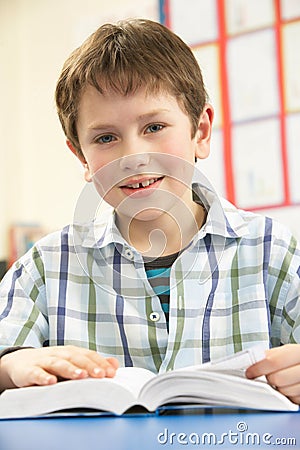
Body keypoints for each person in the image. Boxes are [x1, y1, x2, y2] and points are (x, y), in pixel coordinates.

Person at [0, 19, 300, 404]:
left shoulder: (270, 250)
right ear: (83, 157)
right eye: (106, 138)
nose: (133, 157)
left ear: (201, 132)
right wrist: (12, 366)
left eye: (154, 126)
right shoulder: (46, 267)